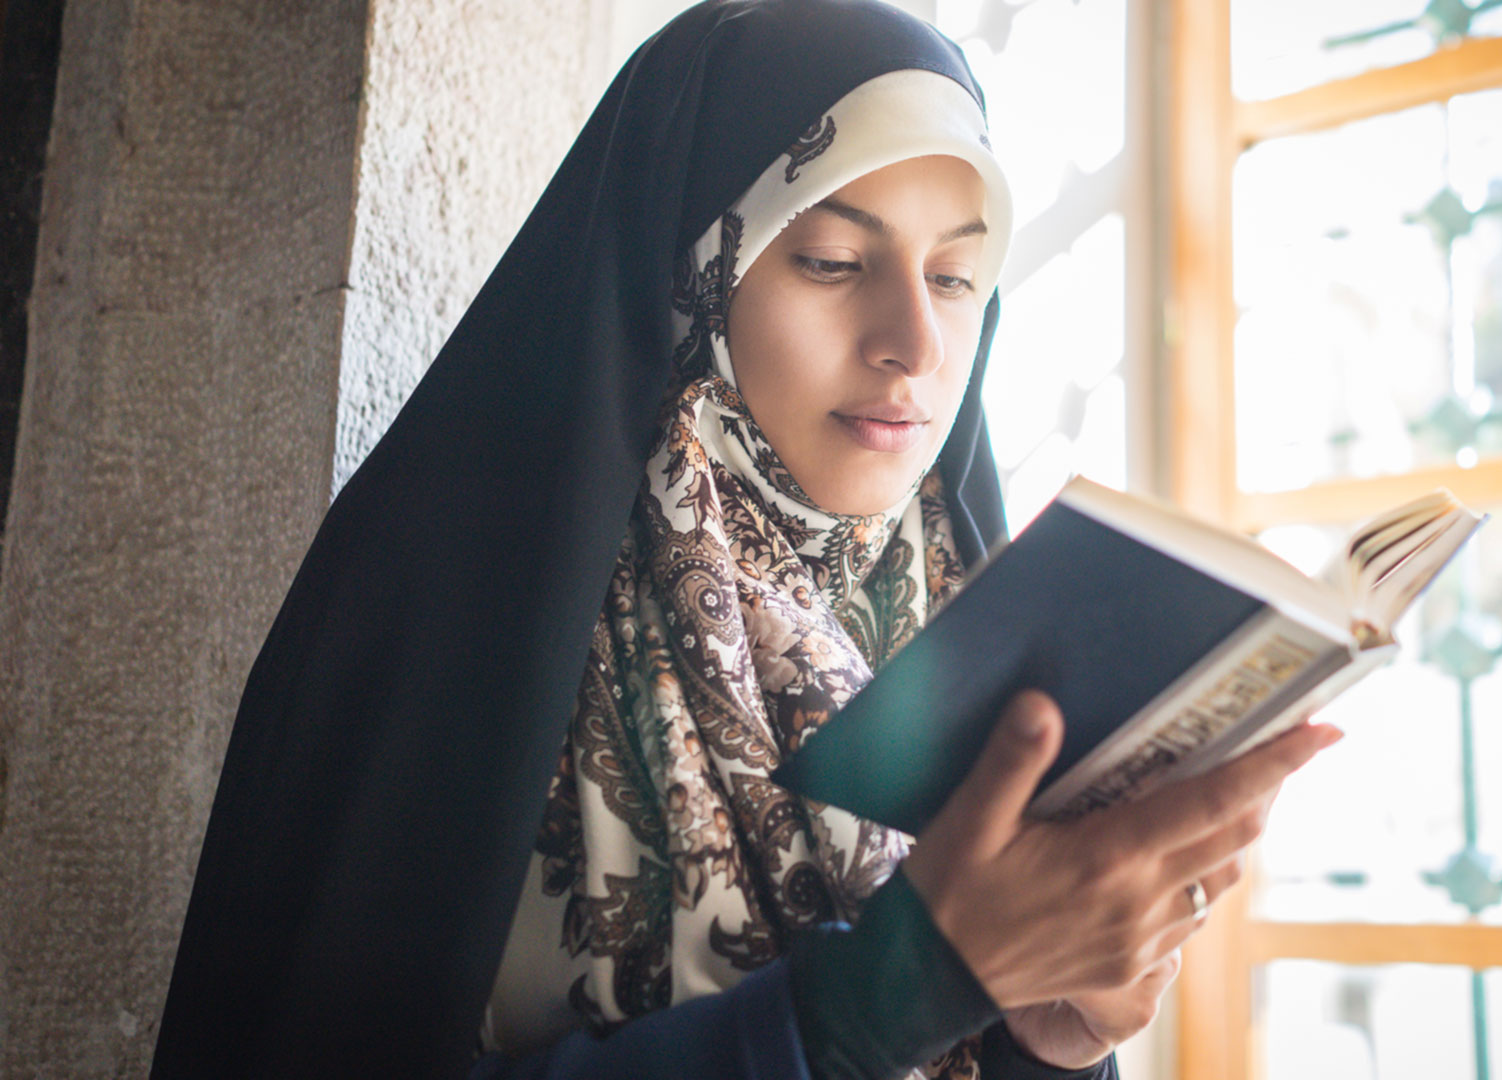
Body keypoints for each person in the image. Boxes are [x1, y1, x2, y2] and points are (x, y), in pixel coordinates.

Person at [151, 2, 1341, 1078]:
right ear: (690, 275)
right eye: (831, 260)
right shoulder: (449, 623)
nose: (915, 344)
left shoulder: (954, 644)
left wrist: (1052, 1038)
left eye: (959, 276)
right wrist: (885, 996)